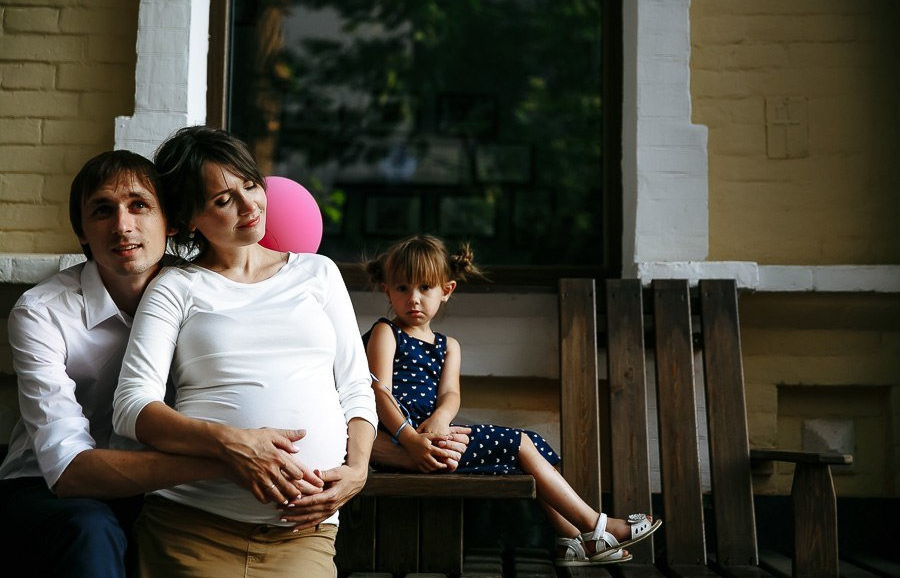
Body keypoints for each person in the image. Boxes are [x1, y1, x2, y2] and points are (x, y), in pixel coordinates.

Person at [0, 150, 311, 577]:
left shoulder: (205, 294)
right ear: (83, 233)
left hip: (169, 490)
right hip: (47, 489)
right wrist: (229, 461)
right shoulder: (42, 312)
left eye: (139, 205)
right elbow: (69, 470)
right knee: (91, 529)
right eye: (102, 210)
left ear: (173, 223)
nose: (122, 226)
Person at [112, 125, 377, 577]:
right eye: (223, 200)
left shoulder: (318, 274)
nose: (249, 205)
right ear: (190, 218)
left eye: (251, 185)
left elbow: (355, 387)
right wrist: (232, 443)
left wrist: (358, 471)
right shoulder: (175, 287)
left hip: (302, 532)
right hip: (193, 525)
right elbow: (131, 407)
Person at [362, 235, 662, 567]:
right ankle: (596, 525)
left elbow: (450, 395)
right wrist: (410, 438)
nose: (413, 298)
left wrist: (441, 419)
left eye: (425, 288)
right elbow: (379, 392)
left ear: (446, 290)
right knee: (521, 443)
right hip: (400, 440)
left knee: (530, 445)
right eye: (402, 288)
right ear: (387, 291)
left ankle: (571, 541)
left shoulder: (449, 346)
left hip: (436, 435)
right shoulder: (386, 332)